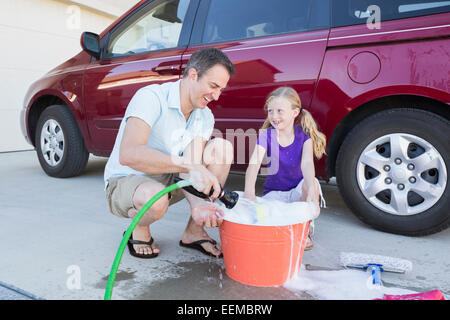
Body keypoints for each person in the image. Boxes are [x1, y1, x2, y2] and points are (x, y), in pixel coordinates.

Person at [104, 48, 235, 259]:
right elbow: (129, 154)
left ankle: (193, 232)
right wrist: (190, 166)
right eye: (213, 86)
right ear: (193, 75)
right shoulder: (151, 97)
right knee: (154, 200)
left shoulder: (204, 115)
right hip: (126, 181)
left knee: (222, 148)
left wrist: (199, 205)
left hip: (168, 178)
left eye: (221, 89)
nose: (216, 96)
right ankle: (140, 229)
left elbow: (190, 165)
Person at [244, 87, 326, 250]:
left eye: (280, 111)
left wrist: (310, 189)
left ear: (295, 112)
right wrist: (249, 192)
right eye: (271, 111)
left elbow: (307, 164)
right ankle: (287, 223)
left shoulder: (304, 135)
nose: (274, 116)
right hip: (275, 194)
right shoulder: (266, 135)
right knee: (265, 226)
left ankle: (304, 229)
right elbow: (254, 164)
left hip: (297, 193)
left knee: (312, 183)